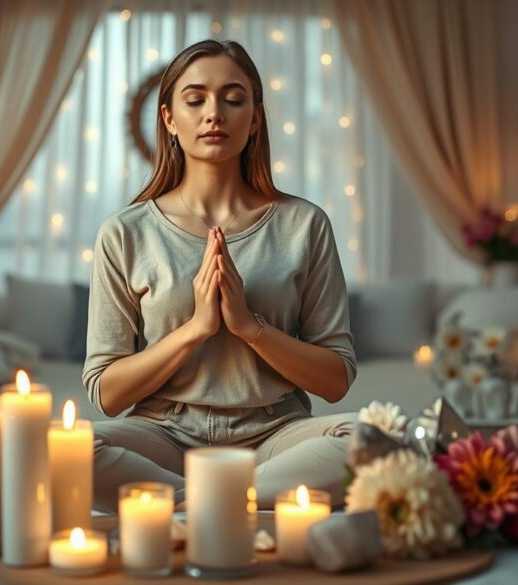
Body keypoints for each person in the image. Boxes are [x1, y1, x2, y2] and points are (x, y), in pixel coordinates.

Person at [82, 39, 357, 511]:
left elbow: (336, 379)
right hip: (165, 437)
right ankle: (233, 505)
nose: (215, 114)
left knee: (374, 437)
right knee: (60, 447)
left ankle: (193, 509)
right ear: (169, 118)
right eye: (195, 100)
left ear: (255, 118)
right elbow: (105, 393)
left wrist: (251, 328)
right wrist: (195, 331)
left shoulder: (304, 225)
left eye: (233, 100)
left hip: (275, 437)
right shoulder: (124, 232)